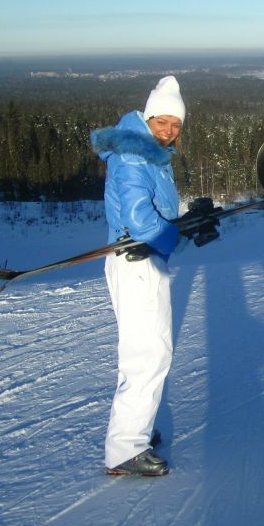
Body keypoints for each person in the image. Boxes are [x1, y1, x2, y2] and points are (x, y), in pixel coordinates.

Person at [90, 76, 186, 476]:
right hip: (135, 261)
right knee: (148, 354)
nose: (167, 130)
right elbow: (138, 217)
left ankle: (135, 431)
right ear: (147, 118)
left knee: (145, 351)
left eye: (175, 123)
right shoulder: (133, 157)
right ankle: (126, 449)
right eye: (161, 121)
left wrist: (186, 221)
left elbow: (157, 212)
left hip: (141, 260)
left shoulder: (149, 153)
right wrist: (172, 237)